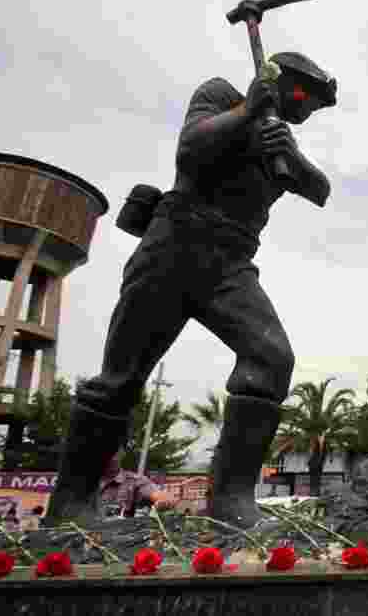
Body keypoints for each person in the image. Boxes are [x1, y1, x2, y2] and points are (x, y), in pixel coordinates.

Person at [43, 51, 338, 529]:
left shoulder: (279, 140)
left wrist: (292, 153)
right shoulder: (222, 96)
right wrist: (244, 114)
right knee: (118, 380)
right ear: (285, 85)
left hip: (231, 264)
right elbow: (189, 150)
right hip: (174, 249)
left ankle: (231, 503)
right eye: (309, 102)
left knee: (271, 358)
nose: (309, 114)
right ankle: (69, 506)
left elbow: (319, 190)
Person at [97, 450, 178, 518]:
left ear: (122, 452)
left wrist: (165, 500)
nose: (112, 457)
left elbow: (159, 495)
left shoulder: (135, 481)